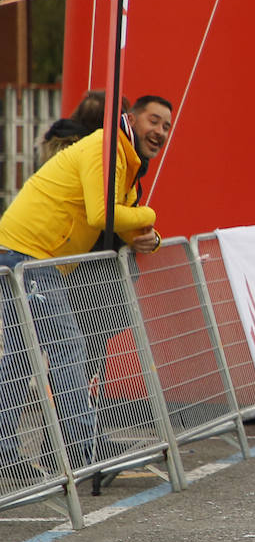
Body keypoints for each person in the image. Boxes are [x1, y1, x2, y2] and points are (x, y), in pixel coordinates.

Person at [0, 106, 164, 487]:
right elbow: (103, 214)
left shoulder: (125, 165)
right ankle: (84, 450)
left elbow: (128, 225)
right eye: (153, 121)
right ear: (133, 118)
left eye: (167, 126)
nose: (159, 131)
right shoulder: (107, 148)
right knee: (68, 347)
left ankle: (8, 453)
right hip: (29, 254)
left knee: (23, 358)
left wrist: (151, 237)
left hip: (23, 252)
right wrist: (149, 216)